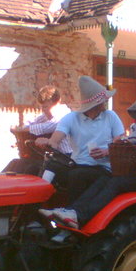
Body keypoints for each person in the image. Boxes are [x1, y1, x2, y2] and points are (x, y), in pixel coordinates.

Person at [40, 88, 136, 229]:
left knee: (116, 182)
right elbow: (128, 150)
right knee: (105, 179)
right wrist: (118, 146)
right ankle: (72, 212)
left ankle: (81, 216)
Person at [40, 75, 125, 203]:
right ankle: (37, 202)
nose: (106, 101)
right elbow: (55, 140)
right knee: (43, 165)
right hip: (76, 164)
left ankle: (72, 213)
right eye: (104, 99)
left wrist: (106, 152)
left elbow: (121, 143)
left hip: (103, 168)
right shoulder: (72, 118)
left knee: (77, 175)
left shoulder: (110, 116)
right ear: (96, 103)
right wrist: (48, 143)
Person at [26, 85, 72, 154]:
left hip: (68, 156)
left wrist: (23, 129)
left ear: (57, 102)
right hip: (58, 156)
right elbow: (34, 121)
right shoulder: (47, 114)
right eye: (43, 107)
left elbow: (46, 127)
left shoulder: (63, 114)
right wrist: (23, 126)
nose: (44, 110)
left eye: (46, 107)